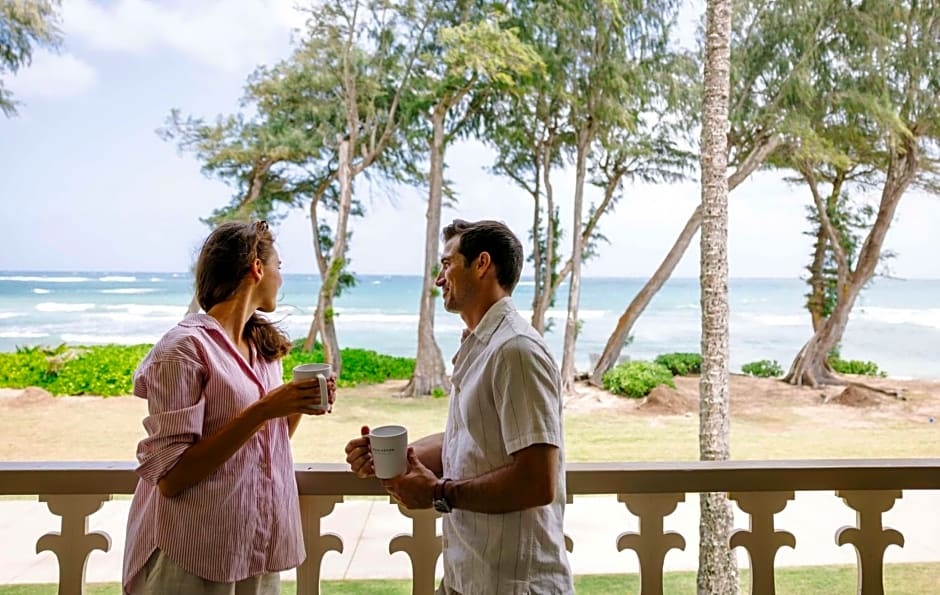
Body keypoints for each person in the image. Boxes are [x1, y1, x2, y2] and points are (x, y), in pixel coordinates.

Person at [345, 219, 574, 594]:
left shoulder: (515, 351)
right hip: (469, 578)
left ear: (482, 264)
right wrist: (395, 455)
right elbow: (469, 437)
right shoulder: (482, 346)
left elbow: (538, 481)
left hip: (513, 584)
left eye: (447, 264)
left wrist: (439, 494)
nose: (439, 278)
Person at [122, 221, 336, 595]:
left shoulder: (264, 348)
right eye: (279, 267)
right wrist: (263, 409)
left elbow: (268, 441)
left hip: (254, 546)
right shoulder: (183, 350)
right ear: (256, 267)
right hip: (190, 553)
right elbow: (171, 478)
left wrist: (297, 404)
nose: (281, 279)